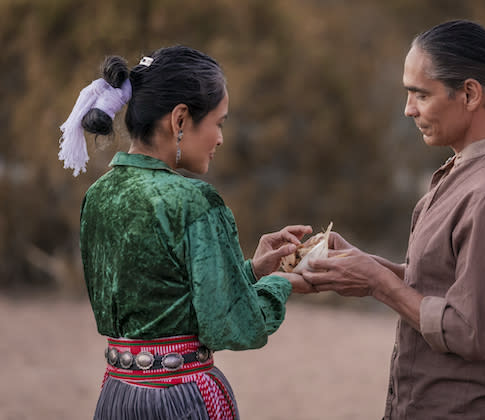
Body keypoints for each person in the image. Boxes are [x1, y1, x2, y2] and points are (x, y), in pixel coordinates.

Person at [302, 20, 485, 419]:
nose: (408, 109)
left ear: (470, 94)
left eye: (421, 94)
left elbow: (469, 332)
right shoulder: (464, 171)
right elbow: (445, 283)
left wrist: (379, 284)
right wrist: (364, 268)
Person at [59, 46, 312, 419]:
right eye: (219, 122)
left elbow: (167, 299)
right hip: (179, 399)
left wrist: (252, 270)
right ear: (180, 120)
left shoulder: (98, 195)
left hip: (117, 395)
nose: (221, 138)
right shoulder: (193, 201)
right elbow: (232, 326)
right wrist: (283, 283)